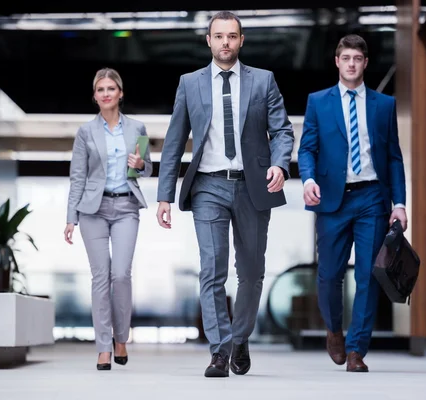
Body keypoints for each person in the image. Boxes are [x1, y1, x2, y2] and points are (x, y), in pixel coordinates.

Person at [156, 11, 294, 378]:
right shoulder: (190, 83)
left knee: (250, 271)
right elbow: (173, 143)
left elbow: (282, 131)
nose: (225, 43)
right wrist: (164, 195)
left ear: (241, 40)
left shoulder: (264, 81)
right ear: (208, 40)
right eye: (219, 36)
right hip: (208, 186)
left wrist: (280, 165)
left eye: (232, 36)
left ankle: (240, 336)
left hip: (253, 186)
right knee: (211, 270)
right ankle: (219, 350)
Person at [298, 34, 407, 373]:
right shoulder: (318, 101)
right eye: (345, 57)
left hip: (372, 197)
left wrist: (399, 202)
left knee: (368, 275)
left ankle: (357, 349)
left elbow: (393, 158)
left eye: (357, 58)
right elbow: (307, 149)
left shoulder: (384, 105)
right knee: (329, 275)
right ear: (337, 61)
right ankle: (334, 330)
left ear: (365, 63)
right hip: (332, 199)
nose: (350, 64)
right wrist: (309, 178)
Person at [64, 68, 152, 371]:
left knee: (121, 275)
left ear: (120, 93)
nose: (105, 94)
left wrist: (139, 164)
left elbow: (147, 169)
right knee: (100, 277)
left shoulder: (137, 128)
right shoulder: (86, 131)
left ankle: (121, 339)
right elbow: (78, 177)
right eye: (100, 89)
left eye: (110, 88)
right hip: (93, 210)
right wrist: (70, 217)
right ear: (94, 96)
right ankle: (103, 346)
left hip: (127, 207)